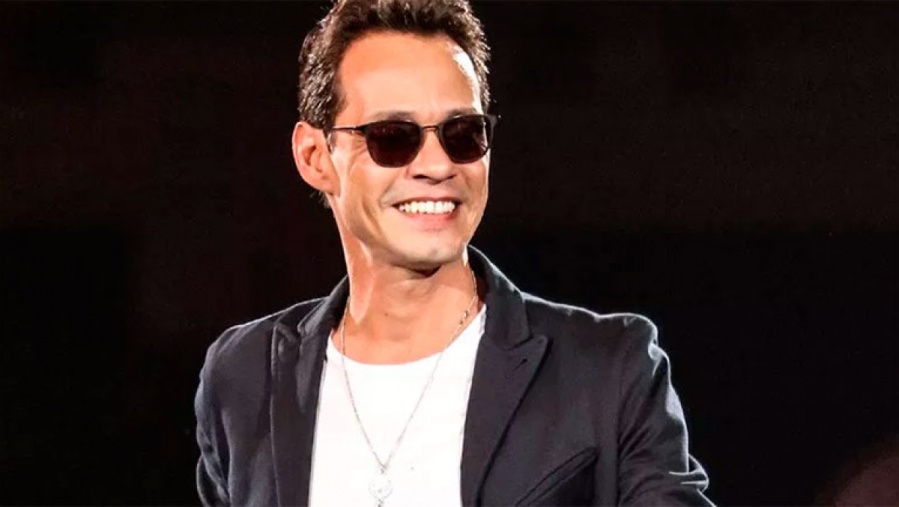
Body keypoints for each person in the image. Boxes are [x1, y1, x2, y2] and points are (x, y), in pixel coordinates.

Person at [194, 0, 713, 505]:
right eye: (392, 137)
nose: (438, 166)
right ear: (314, 156)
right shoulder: (245, 375)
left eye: (463, 134)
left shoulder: (605, 370)